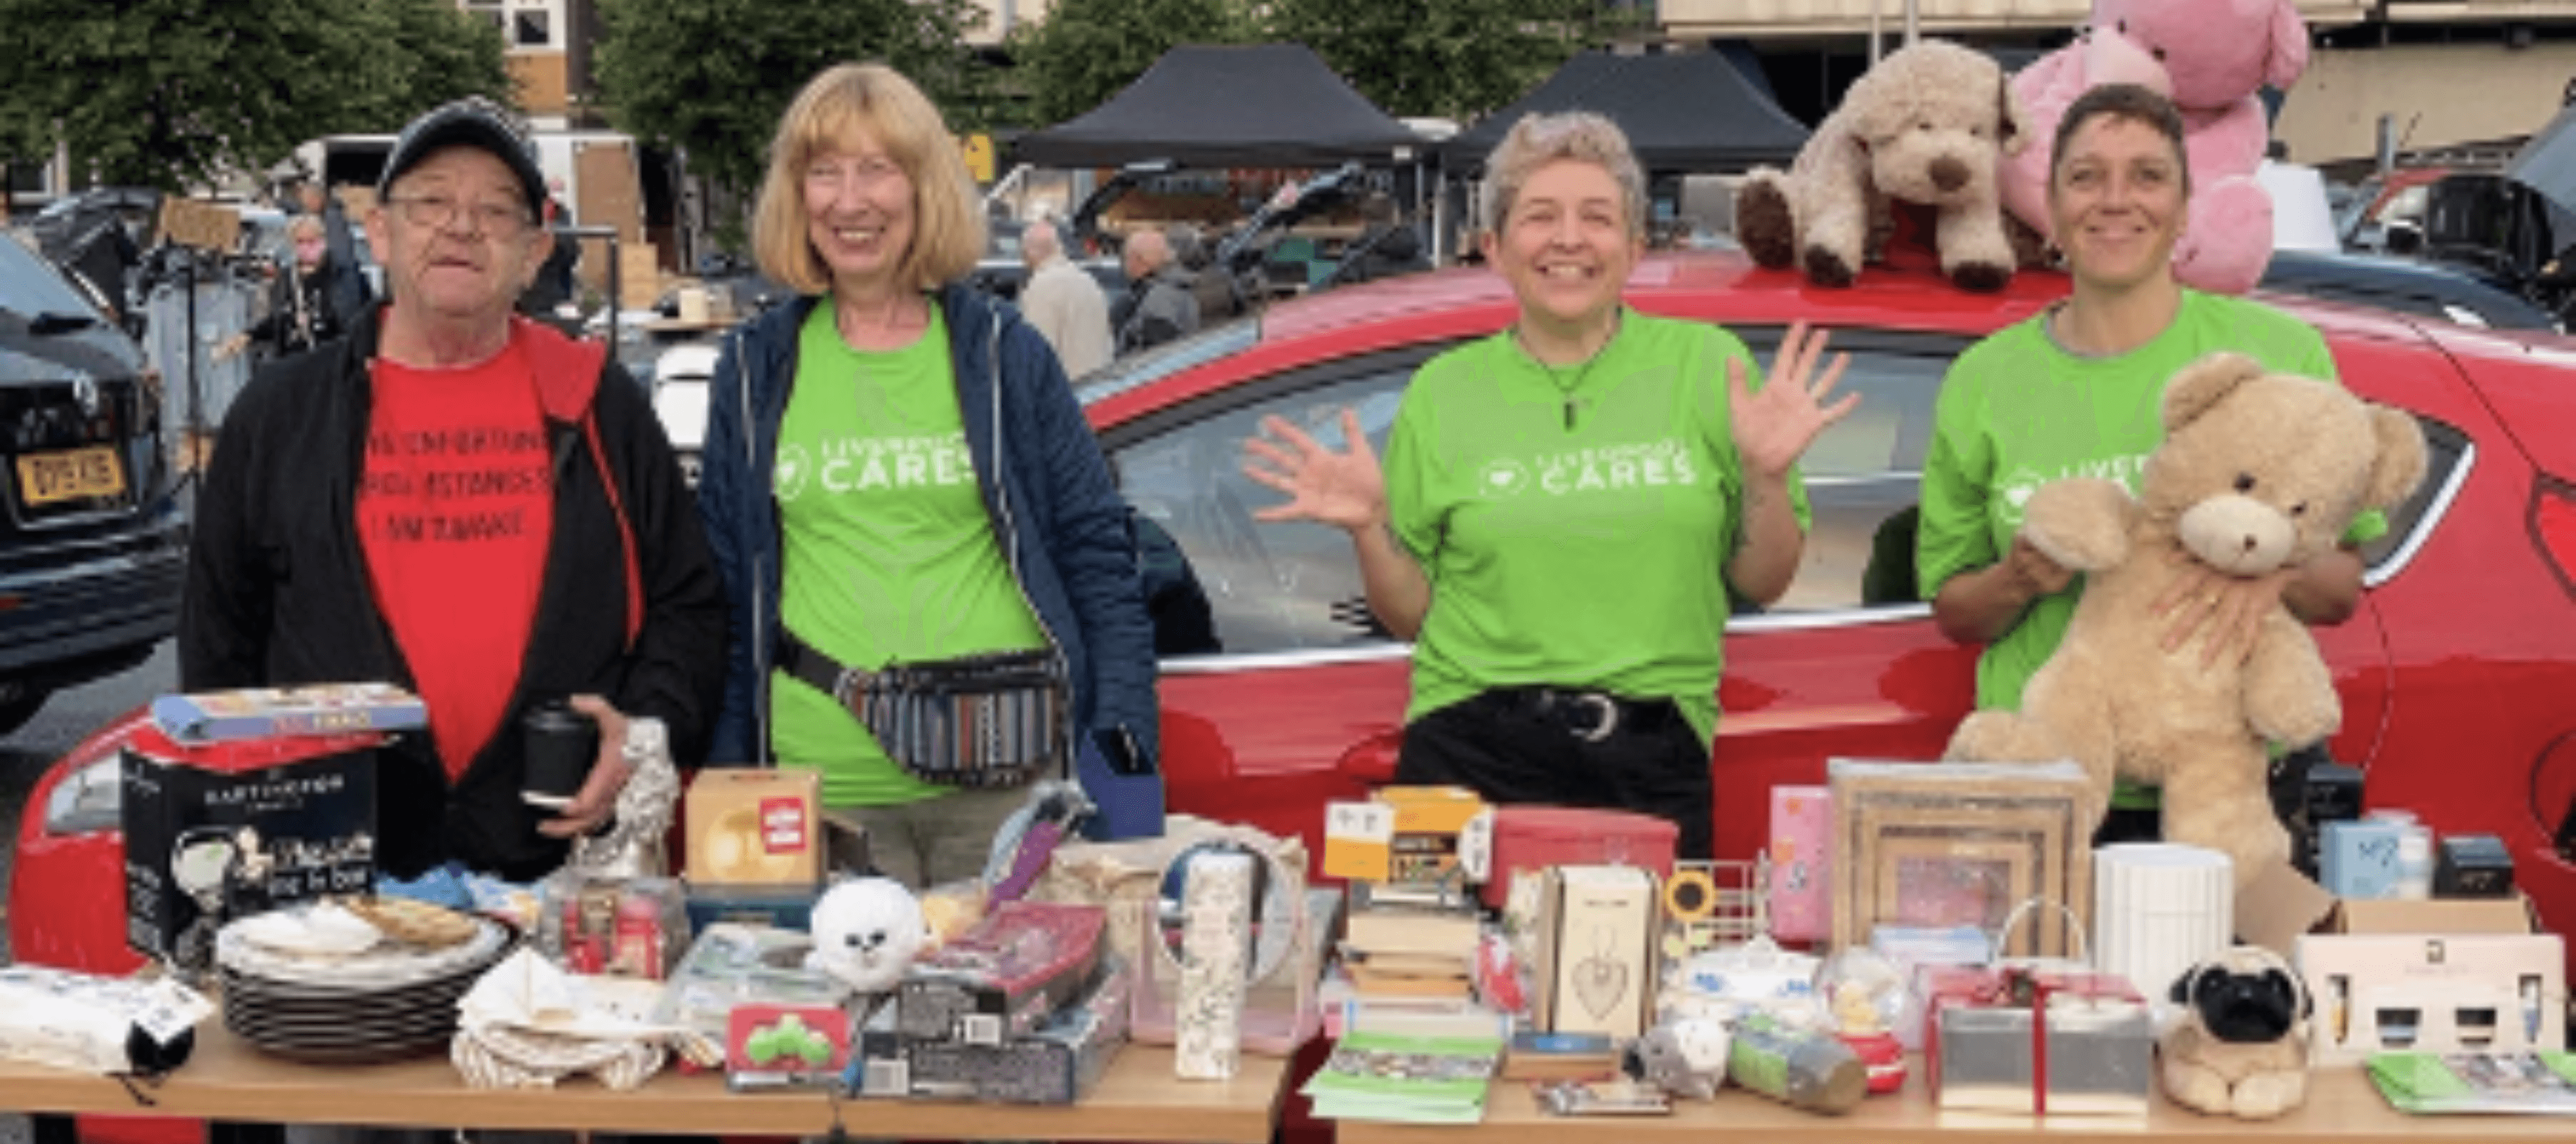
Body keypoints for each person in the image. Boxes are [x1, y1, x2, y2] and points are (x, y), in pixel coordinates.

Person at [1242, 112, 1858, 859]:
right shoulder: (1443, 391)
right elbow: (1412, 618)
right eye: (1540, 216)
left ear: (1635, 248)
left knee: (1643, 943)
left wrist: (1765, 475)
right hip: (1461, 748)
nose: (1569, 239)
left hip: (1651, 754)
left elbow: (1764, 580)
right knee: (1416, 940)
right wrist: (1370, 527)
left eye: (1597, 217)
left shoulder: (1708, 366)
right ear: (1495, 248)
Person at [180, 97, 728, 883]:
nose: (462, 227)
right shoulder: (280, 415)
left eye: (496, 210)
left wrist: (646, 731)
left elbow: (688, 603)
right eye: (431, 201)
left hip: (559, 871)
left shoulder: (596, 400)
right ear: (380, 232)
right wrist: (243, 832)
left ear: (535, 251)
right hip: (338, 882)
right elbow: (217, 642)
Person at [697, 63, 1160, 890]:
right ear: (796, 195)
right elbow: (729, 585)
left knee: (1008, 979)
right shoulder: (754, 366)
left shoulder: (1004, 354)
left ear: (923, 188)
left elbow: (1097, 553)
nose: (850, 201)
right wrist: (728, 771)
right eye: (825, 172)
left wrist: (1122, 741)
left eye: (877, 169)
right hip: (819, 788)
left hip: (1005, 787)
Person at [1915, 83, 2383, 844]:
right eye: (2086, 176)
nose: (2115, 200)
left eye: (2147, 176)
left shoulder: (2277, 355)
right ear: (2051, 207)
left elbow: (2339, 590)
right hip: (2048, 784)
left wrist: (2268, 572)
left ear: (2185, 206)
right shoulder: (1984, 379)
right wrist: (2018, 579)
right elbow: (1954, 612)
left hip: (2218, 790)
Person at [221, 215, 367, 361]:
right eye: (300, 241)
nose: (306, 247)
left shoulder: (340, 277)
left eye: (312, 241)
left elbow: (351, 323)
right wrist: (248, 337)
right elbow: (277, 321)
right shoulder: (286, 279)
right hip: (291, 361)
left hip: (329, 361)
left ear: (323, 241)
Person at [1016, 218, 1112, 377]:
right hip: (1101, 384)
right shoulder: (1089, 282)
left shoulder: (1041, 288)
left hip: (1068, 386)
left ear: (1029, 253)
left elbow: (1037, 353)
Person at [292, 180, 374, 326]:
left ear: (319, 198)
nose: (306, 205)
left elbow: (340, 256)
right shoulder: (329, 216)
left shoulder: (332, 218)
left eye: (308, 200)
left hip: (342, 289)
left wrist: (319, 267)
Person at [1115, 227, 1200, 354]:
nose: (1125, 265)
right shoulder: (1182, 287)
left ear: (1138, 260)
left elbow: (1156, 356)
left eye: (1126, 258)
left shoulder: (1159, 301)